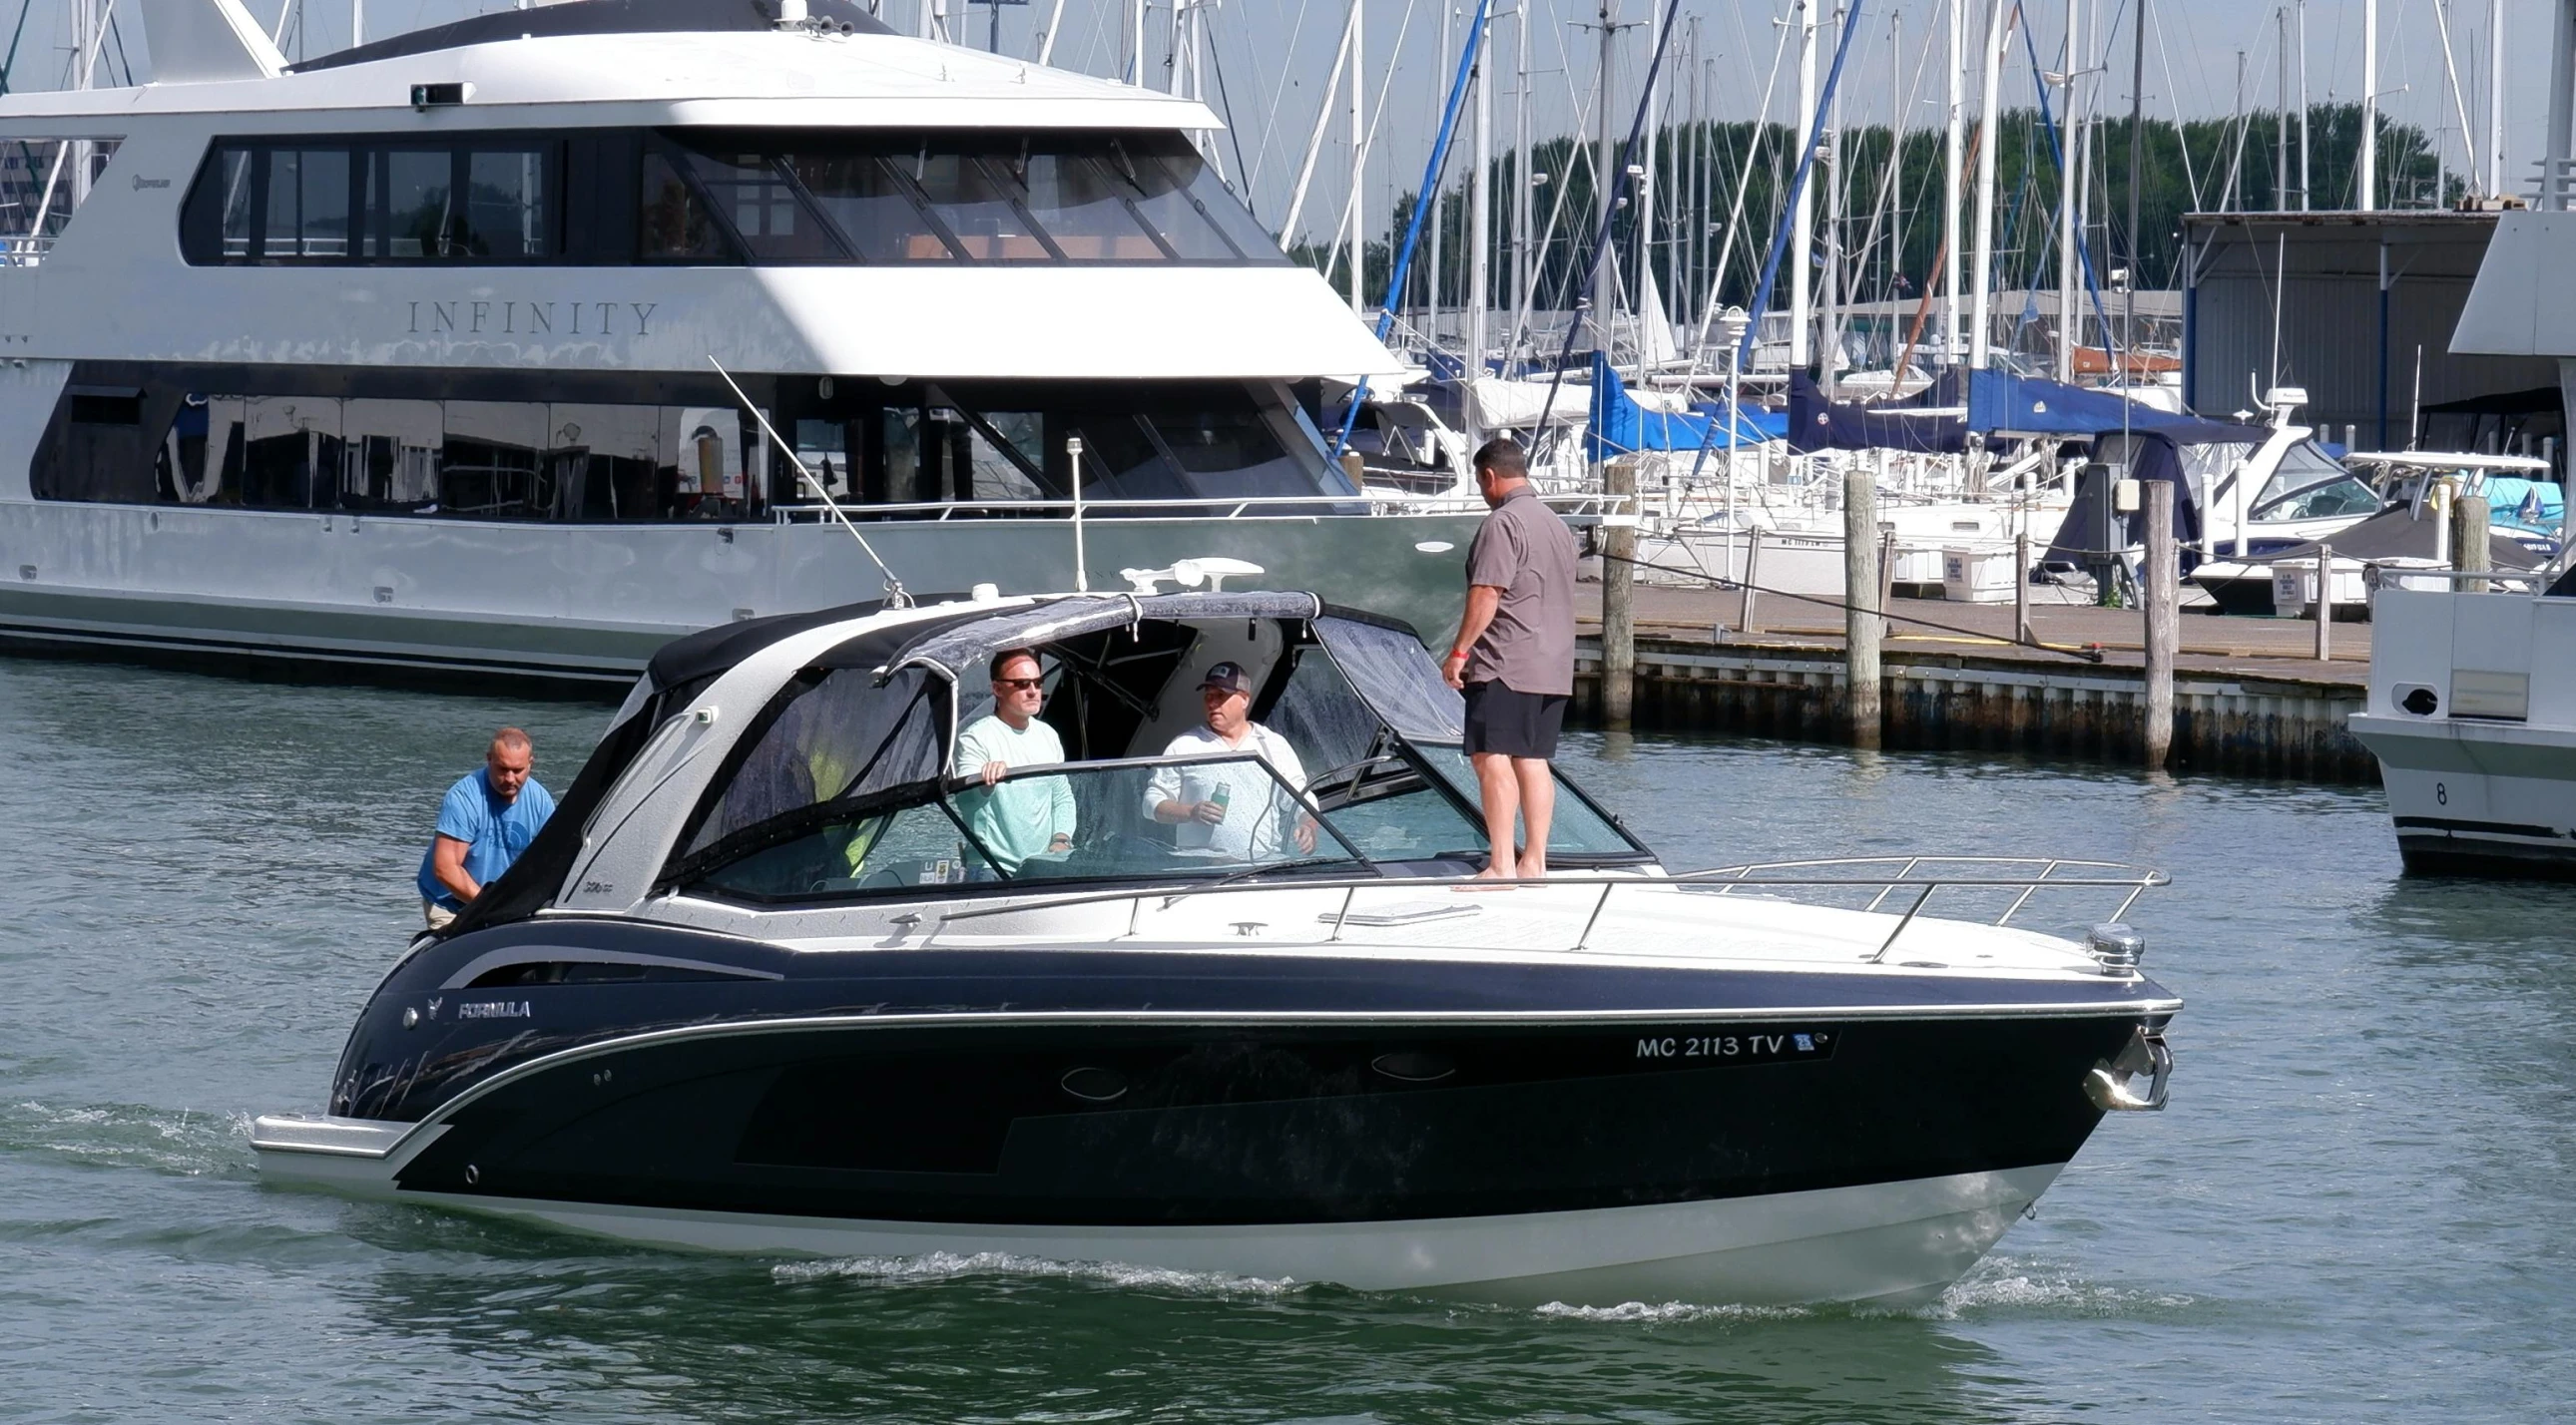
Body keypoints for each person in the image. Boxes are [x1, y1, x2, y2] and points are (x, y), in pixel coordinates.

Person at [1441, 437, 1578, 881]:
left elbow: (1487, 592)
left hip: (1506, 661)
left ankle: (1501, 864)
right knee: (1533, 759)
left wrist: (1460, 651)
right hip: (1554, 665)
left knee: (1490, 754)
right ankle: (1534, 861)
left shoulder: (1504, 523)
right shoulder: (1558, 526)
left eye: (1481, 483)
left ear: (1489, 476)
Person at [1144, 662, 1317, 861]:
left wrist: (1308, 826)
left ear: (1244, 699)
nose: (1212, 703)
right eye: (1208, 696)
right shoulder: (1184, 746)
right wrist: (1191, 812)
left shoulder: (1273, 745)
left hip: (1260, 868)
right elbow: (1151, 803)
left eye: (1221, 696)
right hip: (1197, 870)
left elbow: (1300, 797)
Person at [950, 648, 1076, 874]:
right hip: (990, 869)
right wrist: (985, 784)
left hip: (1042, 865)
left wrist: (1061, 838)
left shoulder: (1048, 735)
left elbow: (1062, 796)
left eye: (1038, 683)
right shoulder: (976, 737)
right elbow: (965, 801)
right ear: (997, 688)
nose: (1032, 691)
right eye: (1021, 684)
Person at [417, 727, 556, 928]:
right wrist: (489, 906)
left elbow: (549, 865)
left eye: (517, 771)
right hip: (450, 904)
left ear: (530, 764)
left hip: (503, 907)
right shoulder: (463, 798)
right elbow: (445, 869)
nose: (509, 778)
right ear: (489, 759)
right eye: (502, 769)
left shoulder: (541, 801)